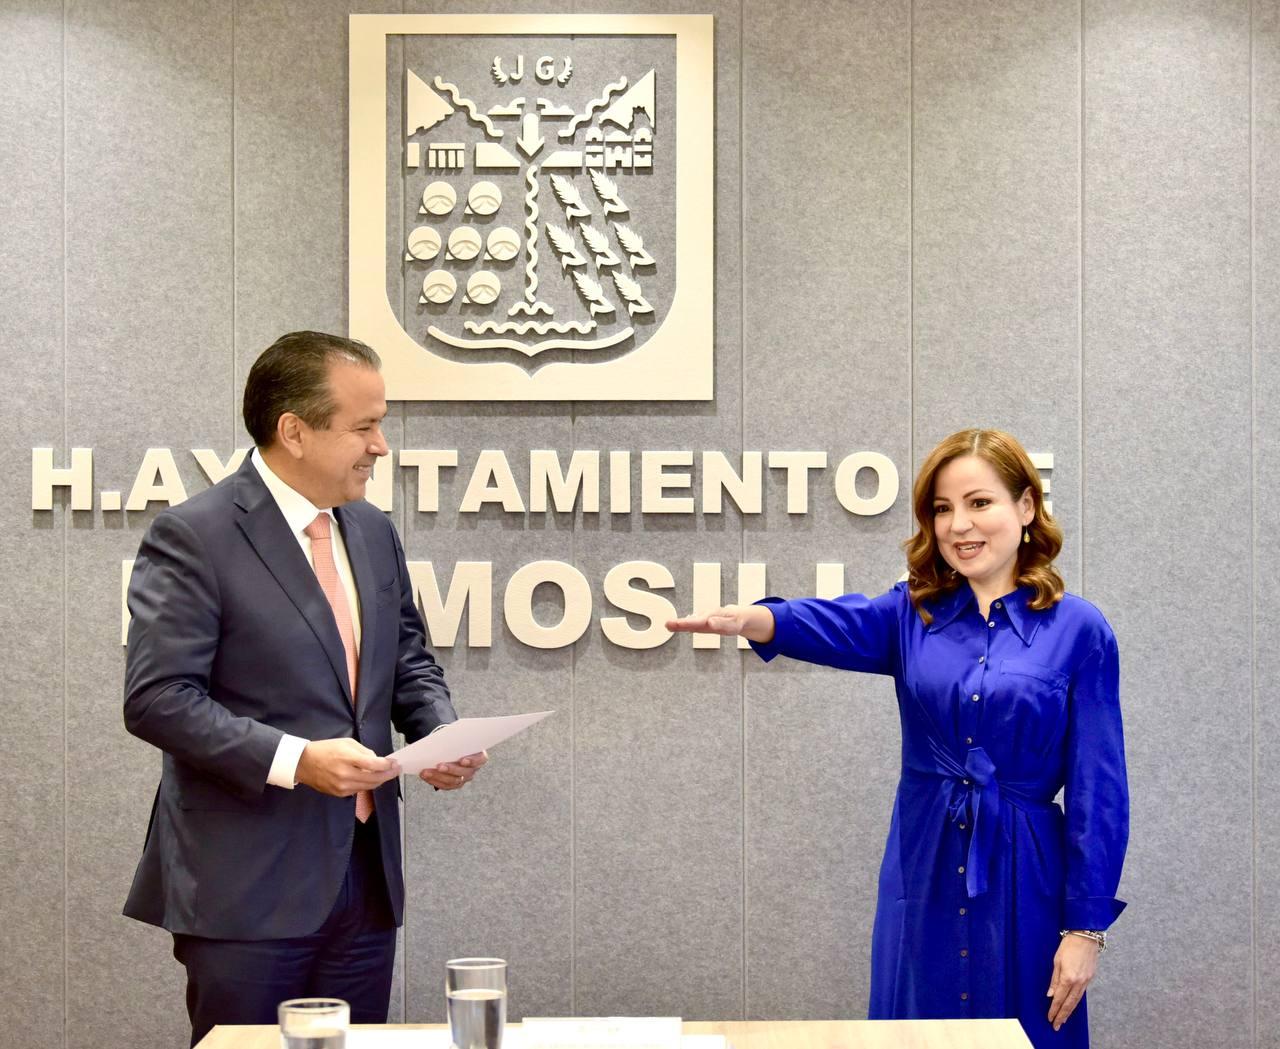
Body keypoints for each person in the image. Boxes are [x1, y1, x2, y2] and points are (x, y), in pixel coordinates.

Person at [669, 429, 1128, 1049]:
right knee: (916, 1024)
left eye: (979, 502)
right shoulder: (912, 613)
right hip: (924, 863)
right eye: (942, 508)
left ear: (1025, 507)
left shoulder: (1081, 630)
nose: (959, 525)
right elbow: (833, 622)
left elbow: (1100, 792)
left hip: (1027, 875)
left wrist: (1085, 928)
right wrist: (757, 618)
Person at [122, 331, 486, 1045]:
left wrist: (439, 730)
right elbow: (157, 698)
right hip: (246, 886)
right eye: (364, 427)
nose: (380, 446)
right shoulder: (195, 535)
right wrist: (297, 760)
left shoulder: (372, 530)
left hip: (365, 881)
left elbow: (407, 659)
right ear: (294, 431)